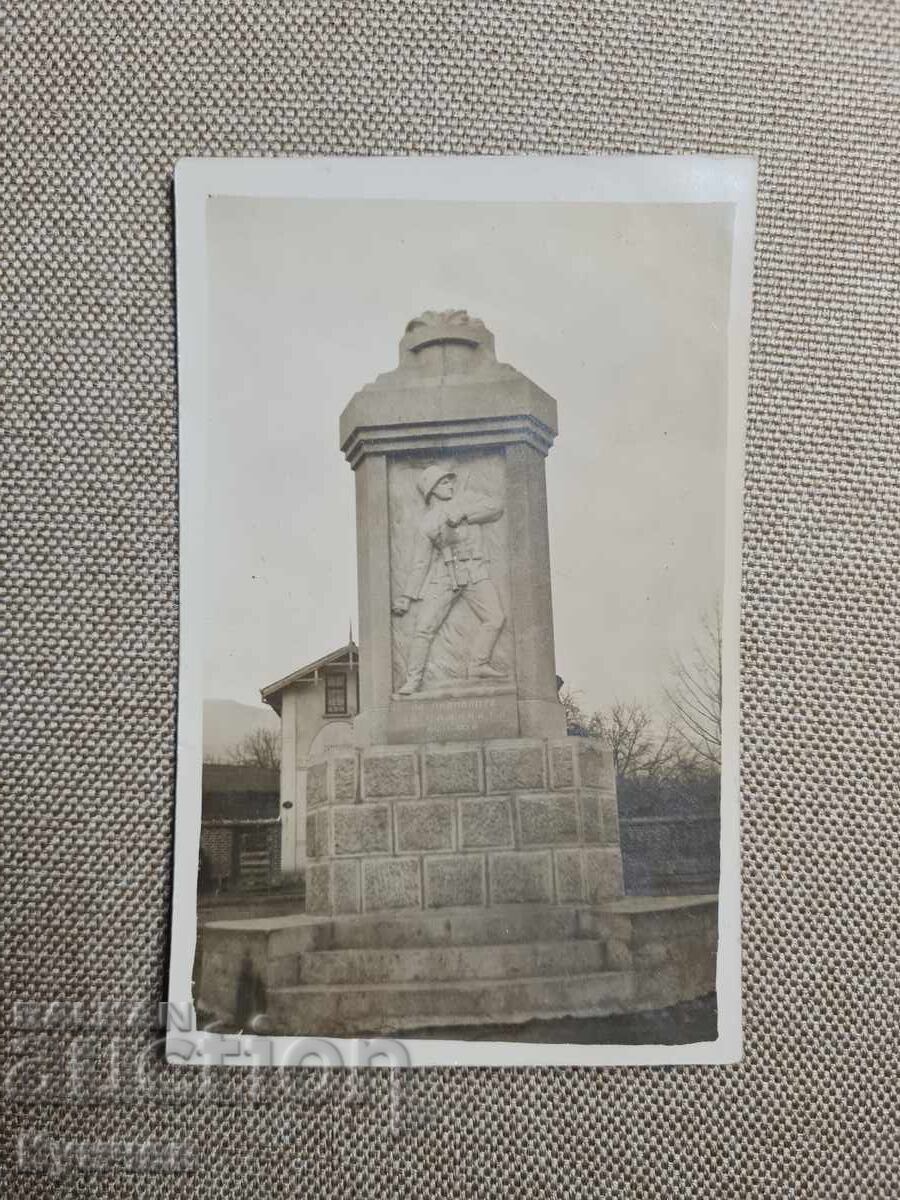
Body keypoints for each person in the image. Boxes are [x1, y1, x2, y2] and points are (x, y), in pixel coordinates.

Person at [392, 466, 507, 695]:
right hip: (445, 575)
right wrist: (406, 597)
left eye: (450, 482)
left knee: (495, 617)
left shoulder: (467, 501)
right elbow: (420, 563)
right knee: (424, 628)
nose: (450, 486)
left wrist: (464, 515)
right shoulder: (427, 523)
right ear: (432, 490)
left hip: (474, 570)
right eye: (444, 483)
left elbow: (496, 508)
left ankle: (478, 665)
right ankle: (413, 680)